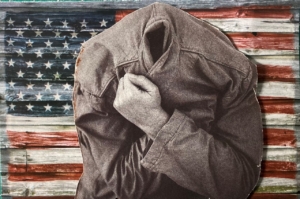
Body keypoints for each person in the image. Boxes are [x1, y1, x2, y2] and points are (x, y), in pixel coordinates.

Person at [73, 2, 263, 199]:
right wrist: (193, 124)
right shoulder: (99, 70)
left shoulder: (230, 72)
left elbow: (238, 182)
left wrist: (156, 122)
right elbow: (126, 186)